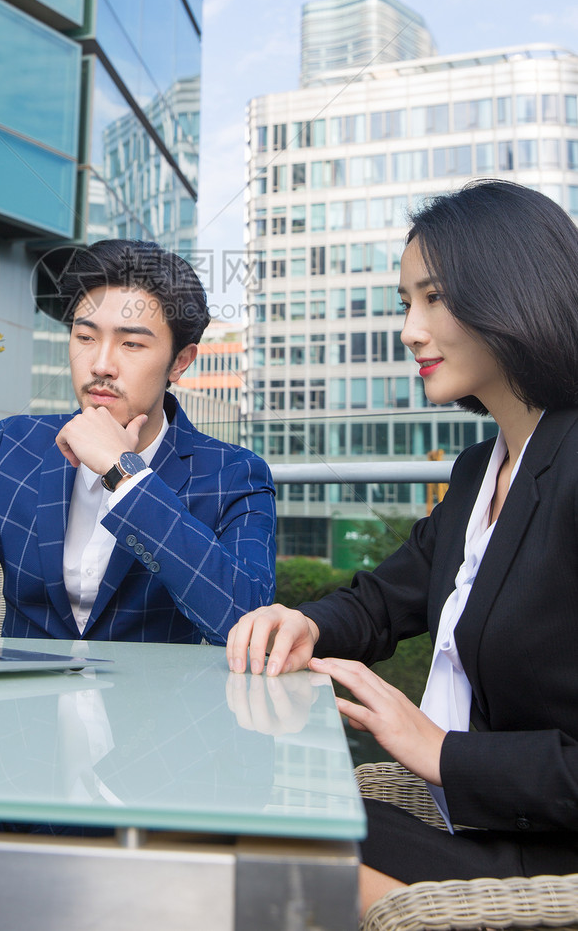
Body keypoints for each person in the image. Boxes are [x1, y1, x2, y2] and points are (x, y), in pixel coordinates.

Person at [226, 181, 578, 913]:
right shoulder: (482, 470)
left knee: (252, 865)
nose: (409, 330)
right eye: (403, 303)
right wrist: (310, 624)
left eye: (434, 298)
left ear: (514, 291)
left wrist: (441, 751)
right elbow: (387, 597)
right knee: (244, 824)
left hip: (548, 862)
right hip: (478, 827)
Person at [0, 239, 276, 645]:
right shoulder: (16, 446)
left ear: (180, 361)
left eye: (131, 344)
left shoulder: (233, 474)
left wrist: (125, 474)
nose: (101, 364)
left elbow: (243, 618)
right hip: (24, 702)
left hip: (157, 705)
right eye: (85, 337)